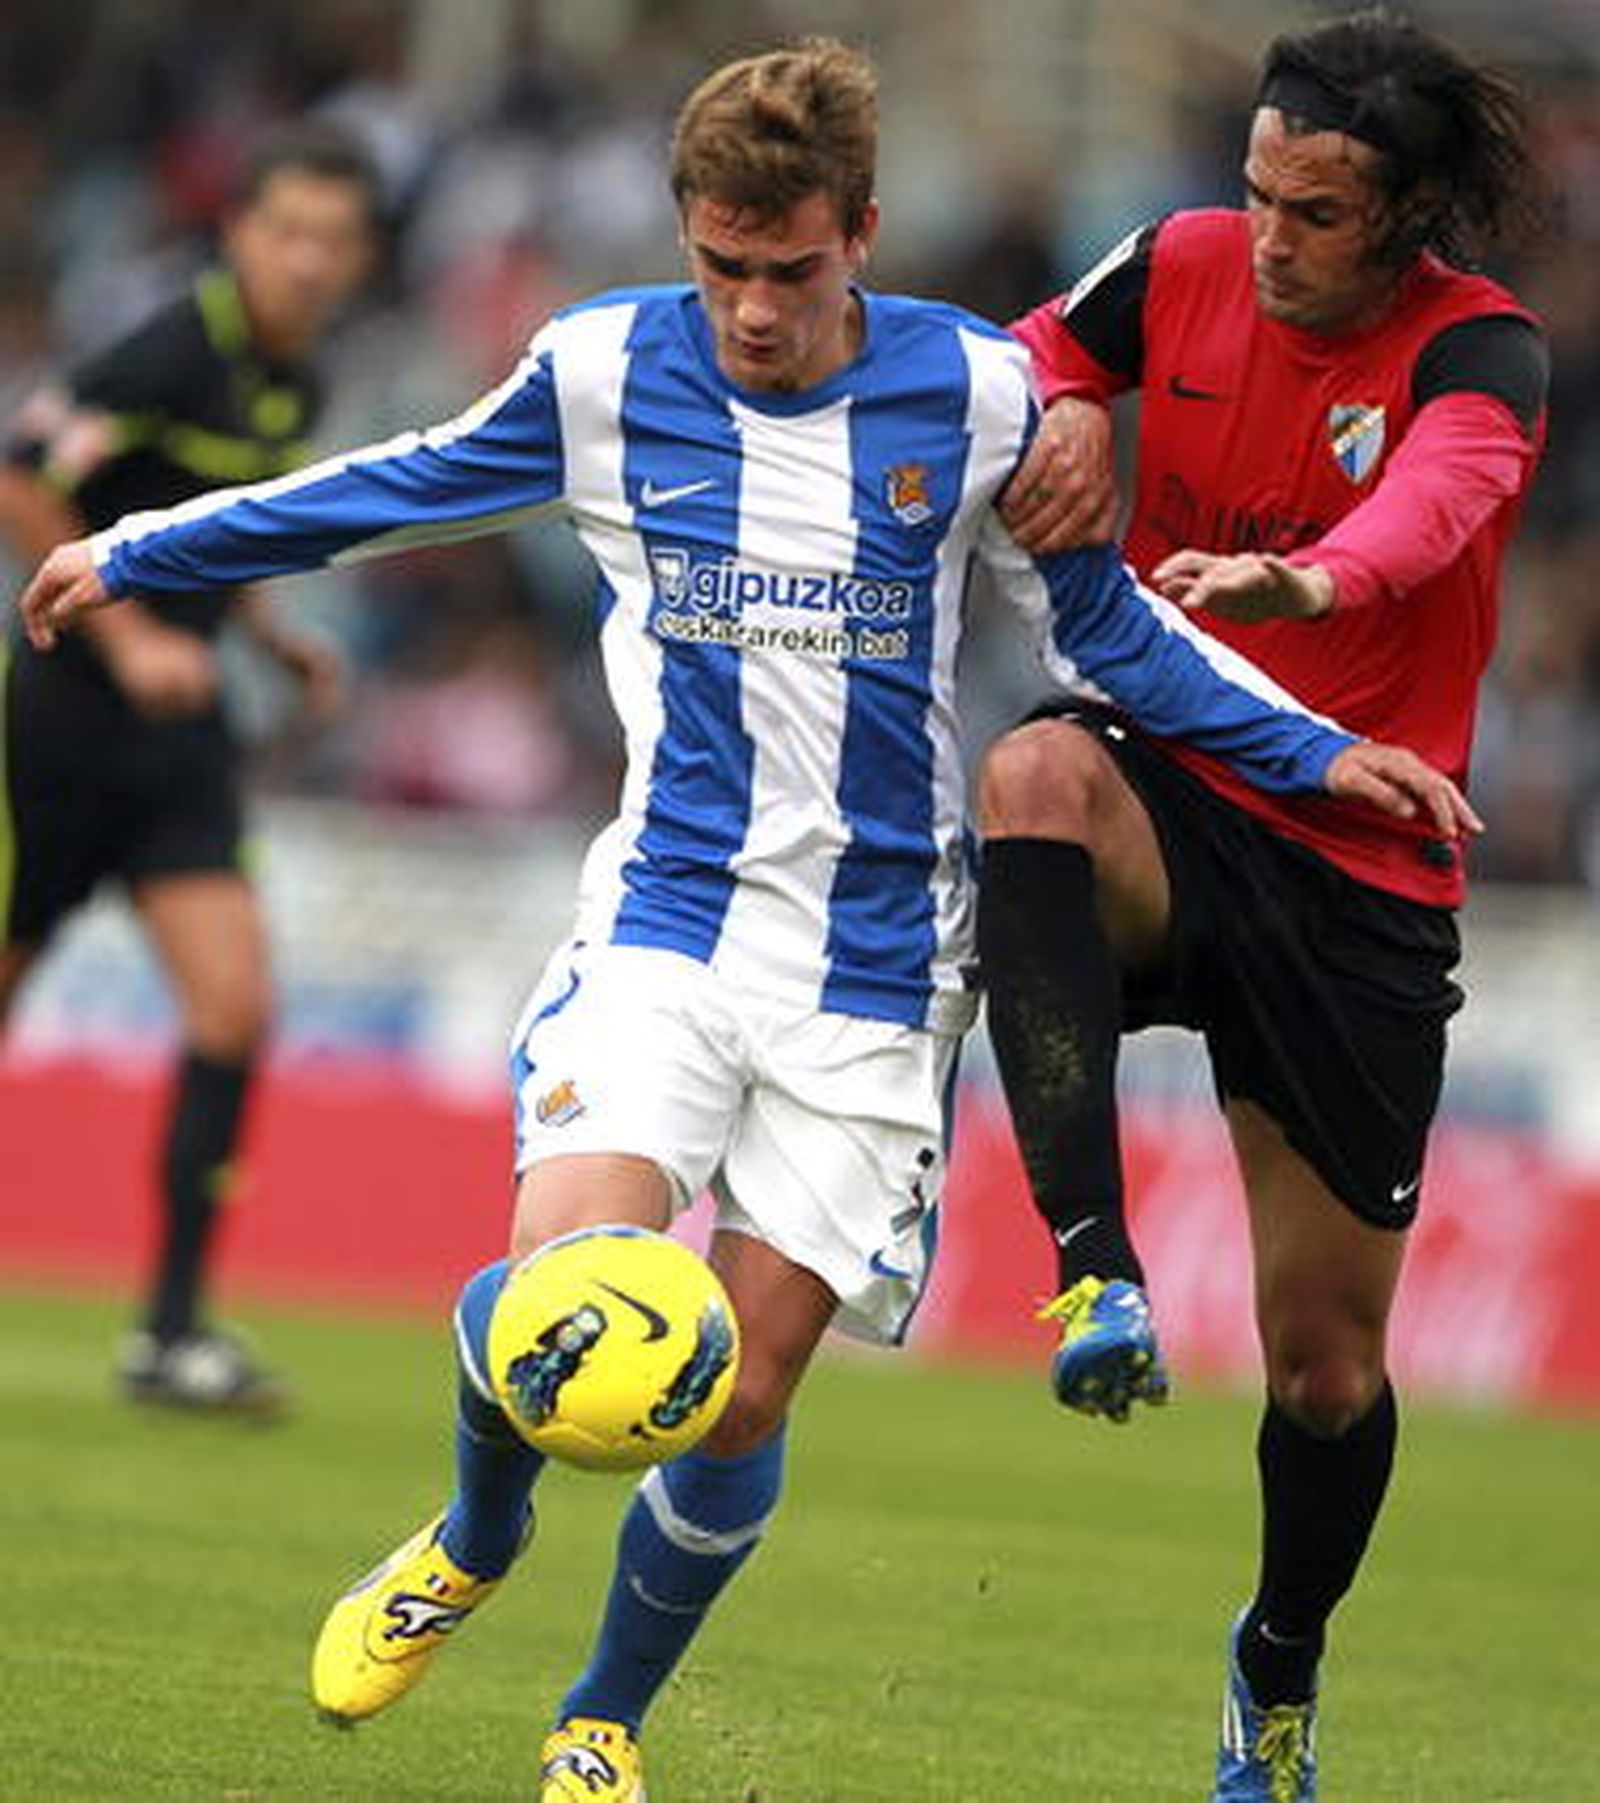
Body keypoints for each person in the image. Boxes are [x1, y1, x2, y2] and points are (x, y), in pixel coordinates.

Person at [16, 38, 1476, 1800]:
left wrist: (1326, 757)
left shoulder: (978, 401)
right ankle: (474, 1538)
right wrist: (149, 549)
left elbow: (1113, 642)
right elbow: (392, 484)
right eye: (723, 266)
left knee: (734, 1402)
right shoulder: (605, 368)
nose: (757, 309)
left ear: (861, 233)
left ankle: (599, 1723)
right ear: (686, 235)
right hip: (667, 928)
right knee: (575, 1309)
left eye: (792, 270)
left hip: (874, 976)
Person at [986, 12, 1547, 1799]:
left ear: (1401, 220)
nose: (1274, 236)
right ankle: (1092, 1279)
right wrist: (1072, 400)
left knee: (1322, 1372)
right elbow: (1030, 349)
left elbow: (1443, 510)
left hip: (1364, 854)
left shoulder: (1483, 348)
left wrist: (1306, 581)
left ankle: (1278, 1663)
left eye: (1317, 212)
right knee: (1034, 780)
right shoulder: (1181, 262)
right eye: (1260, 192)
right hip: (1173, 772)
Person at [0, 122, 380, 1415]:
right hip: (53, 732)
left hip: (182, 744)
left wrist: (271, 634)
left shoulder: (300, 387)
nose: (310, 261)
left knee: (233, 1011)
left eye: (334, 240)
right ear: (240, 236)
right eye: (289, 232)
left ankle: (169, 1334)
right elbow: (24, 477)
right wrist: (140, 639)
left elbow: (213, 536)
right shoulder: (170, 346)